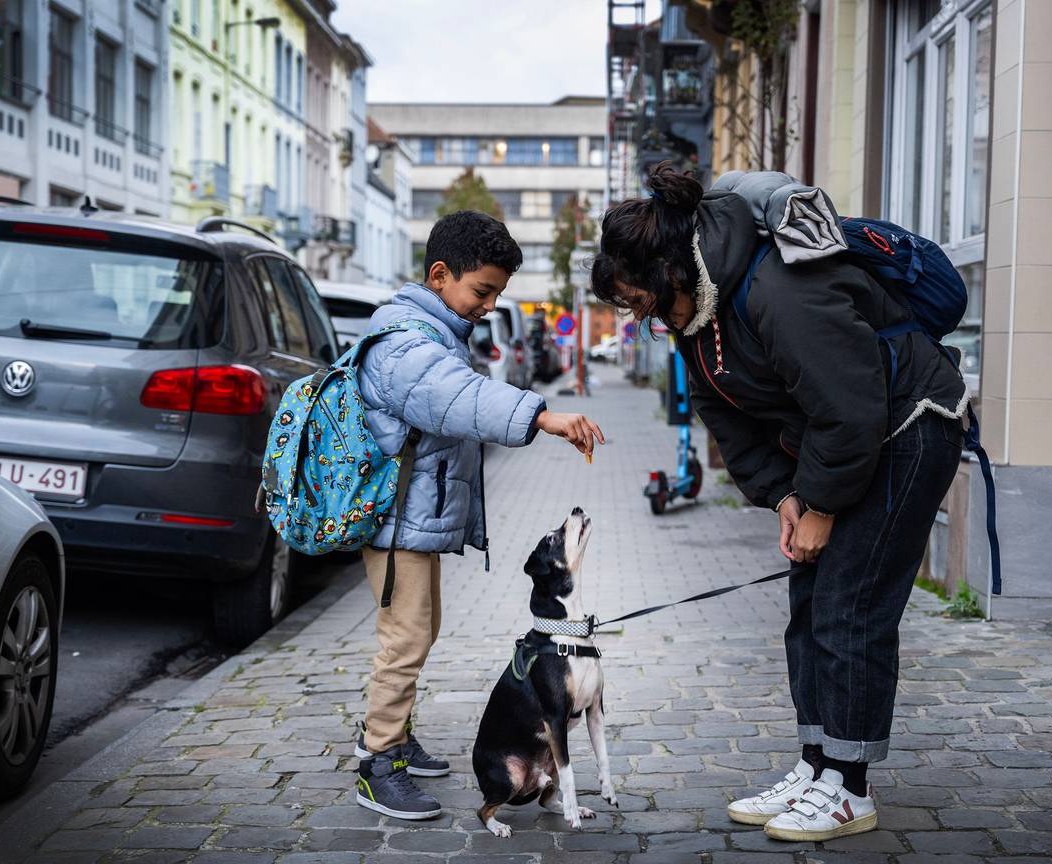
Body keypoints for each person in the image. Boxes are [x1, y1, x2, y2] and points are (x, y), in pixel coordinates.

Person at [591, 164, 966, 842]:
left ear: (671, 269)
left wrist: (820, 505)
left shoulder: (779, 287)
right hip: (839, 450)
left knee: (851, 604)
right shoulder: (699, 313)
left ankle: (849, 788)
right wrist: (786, 497)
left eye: (638, 298)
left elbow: (849, 409)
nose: (639, 315)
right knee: (811, 604)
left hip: (908, 429)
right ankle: (819, 765)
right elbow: (727, 418)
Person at [352, 210, 605, 820]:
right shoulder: (406, 344)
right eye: (482, 290)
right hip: (393, 524)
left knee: (421, 630)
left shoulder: (431, 335)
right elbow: (460, 397)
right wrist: (542, 416)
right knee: (404, 640)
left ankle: (397, 738)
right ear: (440, 275)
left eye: (497, 293)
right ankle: (375, 760)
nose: (489, 305)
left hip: (411, 522)